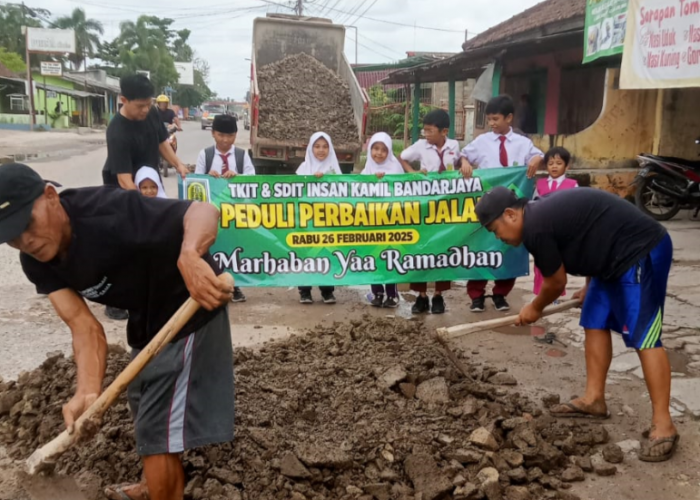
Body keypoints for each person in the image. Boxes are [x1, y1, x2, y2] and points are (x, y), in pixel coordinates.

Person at [0, 163, 236, 499]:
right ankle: (152, 484)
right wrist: (86, 391)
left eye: (27, 224)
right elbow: (83, 327)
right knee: (143, 400)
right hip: (147, 312)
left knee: (157, 426)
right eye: (11, 237)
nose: (25, 241)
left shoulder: (110, 212)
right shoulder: (35, 260)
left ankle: (163, 491)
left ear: (50, 196)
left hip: (189, 303)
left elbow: (203, 210)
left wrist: (188, 255)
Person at [475, 186, 679, 463]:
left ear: (510, 214)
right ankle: (594, 399)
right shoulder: (536, 217)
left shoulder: (535, 227)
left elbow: (556, 284)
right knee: (594, 320)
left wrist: (535, 307)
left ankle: (664, 424)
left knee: (644, 337)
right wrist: (588, 284)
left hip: (640, 250)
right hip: (609, 262)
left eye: (494, 229)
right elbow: (589, 233)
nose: (497, 237)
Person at [102, 75, 189, 321]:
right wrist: (142, 209)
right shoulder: (117, 130)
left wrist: (179, 165)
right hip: (123, 191)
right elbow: (123, 178)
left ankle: (148, 293)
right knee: (124, 243)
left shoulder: (150, 114)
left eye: (148, 104)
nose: (145, 110)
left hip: (149, 183)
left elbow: (162, 142)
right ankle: (114, 300)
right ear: (123, 100)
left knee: (151, 243)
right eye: (140, 105)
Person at [459, 94, 544, 313]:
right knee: (481, 250)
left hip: (512, 211)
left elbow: (537, 156)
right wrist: (465, 162)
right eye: (489, 119)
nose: (492, 123)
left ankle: (500, 294)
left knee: (510, 251)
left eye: (496, 118)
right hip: (488, 209)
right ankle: (476, 296)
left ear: (509, 118)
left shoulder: (523, 143)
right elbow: (462, 156)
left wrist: (537, 159)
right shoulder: (482, 142)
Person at [399, 109, 460, 314]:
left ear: (444, 131)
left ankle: (438, 296)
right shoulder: (421, 146)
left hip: (446, 206)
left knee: (443, 249)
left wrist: (464, 165)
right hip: (425, 204)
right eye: (424, 130)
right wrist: (413, 173)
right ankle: (421, 296)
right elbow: (402, 157)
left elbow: (459, 164)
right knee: (421, 248)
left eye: (429, 130)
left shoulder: (454, 146)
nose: (426, 134)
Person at [195, 114, 254, 303]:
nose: (225, 140)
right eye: (221, 135)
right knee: (213, 248)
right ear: (213, 134)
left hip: (235, 213)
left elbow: (252, 180)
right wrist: (207, 176)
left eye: (229, 136)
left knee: (234, 248)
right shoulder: (206, 155)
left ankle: (234, 287)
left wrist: (237, 176)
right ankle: (212, 284)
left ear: (236, 136)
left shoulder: (242, 155)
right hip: (211, 214)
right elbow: (195, 184)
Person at [296, 132, 340, 304]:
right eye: (317, 146)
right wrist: (310, 180)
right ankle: (304, 291)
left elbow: (344, 194)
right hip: (307, 222)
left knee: (326, 254)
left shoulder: (335, 170)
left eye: (325, 146)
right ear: (310, 148)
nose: (321, 150)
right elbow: (293, 194)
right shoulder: (303, 169)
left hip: (328, 222)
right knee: (306, 255)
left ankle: (327, 291)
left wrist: (327, 180)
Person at [362, 132, 404, 308]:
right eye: (375, 149)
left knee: (390, 257)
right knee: (374, 258)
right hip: (371, 223)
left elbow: (404, 192)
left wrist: (384, 181)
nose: (378, 153)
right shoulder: (366, 170)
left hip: (391, 223)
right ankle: (377, 293)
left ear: (389, 151)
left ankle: (392, 294)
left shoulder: (396, 169)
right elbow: (357, 193)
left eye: (383, 150)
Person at [532, 147, 578, 297]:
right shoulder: (540, 184)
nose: (554, 166)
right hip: (543, 229)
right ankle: (540, 293)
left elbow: (576, 208)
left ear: (567, 166)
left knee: (557, 264)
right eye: (550, 163)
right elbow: (534, 205)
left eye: (558, 163)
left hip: (562, 230)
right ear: (546, 166)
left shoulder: (572, 185)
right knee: (540, 263)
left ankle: (556, 293)